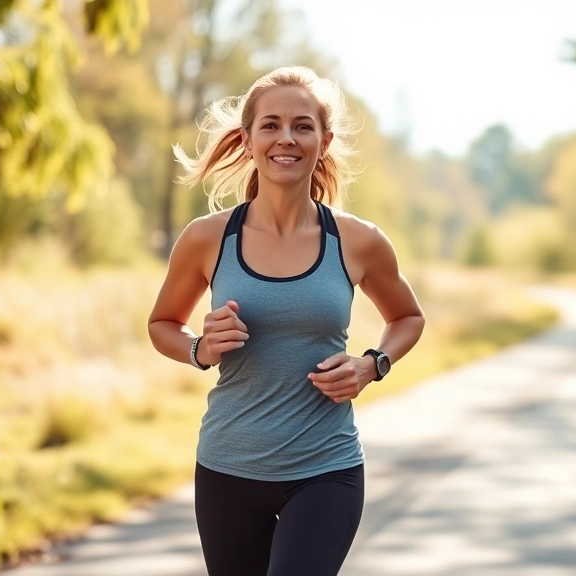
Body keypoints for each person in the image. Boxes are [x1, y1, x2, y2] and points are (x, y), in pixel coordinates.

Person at [147, 65, 425, 576]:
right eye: (271, 125)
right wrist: (199, 349)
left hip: (326, 469)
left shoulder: (357, 240)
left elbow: (407, 316)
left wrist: (372, 364)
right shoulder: (208, 239)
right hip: (227, 468)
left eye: (302, 125)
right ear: (248, 138)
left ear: (324, 140)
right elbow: (162, 323)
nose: (286, 138)